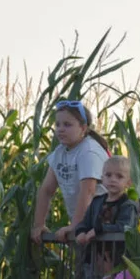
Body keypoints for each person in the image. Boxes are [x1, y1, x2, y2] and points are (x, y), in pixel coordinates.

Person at [30, 99, 110, 244]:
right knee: (83, 266)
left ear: (83, 128)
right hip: (83, 225)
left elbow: (89, 191)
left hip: (103, 225)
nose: (60, 129)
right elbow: (46, 190)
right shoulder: (59, 153)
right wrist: (39, 224)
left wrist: (75, 226)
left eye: (67, 125)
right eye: (58, 124)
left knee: (101, 265)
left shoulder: (88, 151)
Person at [75, 155, 140, 255]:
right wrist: (81, 231)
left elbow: (125, 227)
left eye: (119, 176)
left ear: (128, 183)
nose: (113, 179)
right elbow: (85, 222)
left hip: (118, 258)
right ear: (102, 178)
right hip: (93, 256)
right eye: (108, 175)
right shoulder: (96, 202)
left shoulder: (128, 206)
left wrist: (99, 229)